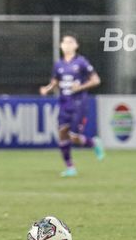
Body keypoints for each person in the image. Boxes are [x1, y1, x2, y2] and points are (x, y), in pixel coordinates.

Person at [40, 33, 105, 177]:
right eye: (64, 42)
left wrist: (80, 87)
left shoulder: (81, 62)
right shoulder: (59, 64)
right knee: (62, 133)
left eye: (70, 42)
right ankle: (70, 167)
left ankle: (93, 143)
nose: (67, 44)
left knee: (74, 137)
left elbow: (96, 80)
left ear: (76, 45)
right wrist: (47, 89)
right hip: (64, 103)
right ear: (61, 46)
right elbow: (55, 81)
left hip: (79, 103)